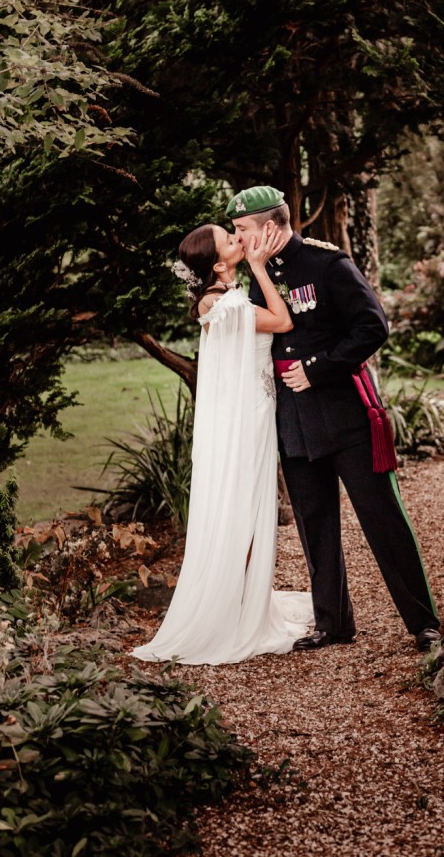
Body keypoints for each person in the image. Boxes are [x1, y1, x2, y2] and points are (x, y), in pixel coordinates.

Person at [227, 185, 441, 653]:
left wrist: (319, 367)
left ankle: (424, 623)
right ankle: (332, 623)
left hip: (346, 415)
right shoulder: (258, 275)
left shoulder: (328, 264)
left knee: (382, 517)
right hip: (295, 421)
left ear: (269, 227)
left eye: (242, 230)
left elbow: (372, 326)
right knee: (314, 521)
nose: (237, 238)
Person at [132, 222, 312, 665]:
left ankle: (244, 599)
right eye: (230, 241)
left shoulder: (222, 300)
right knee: (245, 509)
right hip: (244, 422)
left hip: (251, 414)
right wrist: (258, 265)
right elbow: (283, 320)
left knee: (248, 508)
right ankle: (236, 611)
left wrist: (252, 267)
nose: (238, 240)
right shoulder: (221, 305)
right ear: (218, 264)